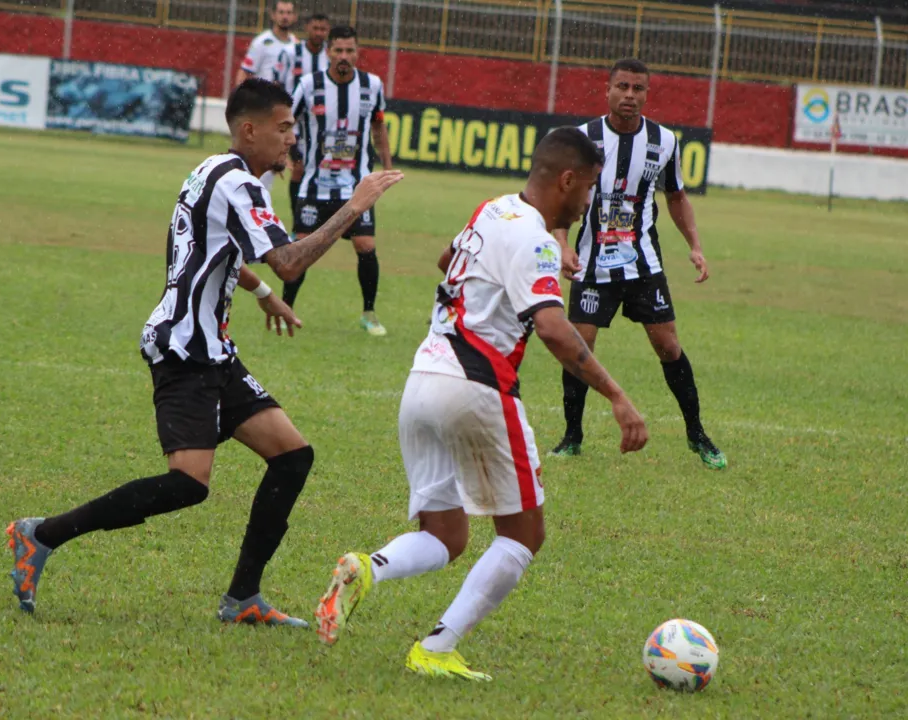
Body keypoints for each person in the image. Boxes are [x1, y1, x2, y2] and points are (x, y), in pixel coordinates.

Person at [6, 79, 403, 626]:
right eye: (284, 128)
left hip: (212, 349)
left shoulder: (211, 170)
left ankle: (243, 598)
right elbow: (288, 261)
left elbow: (214, 249)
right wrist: (354, 206)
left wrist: (263, 295)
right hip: (183, 350)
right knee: (188, 485)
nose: (292, 140)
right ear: (250, 129)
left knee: (292, 455)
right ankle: (40, 534)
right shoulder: (239, 183)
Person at [312, 128, 648, 680]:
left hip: (422, 379)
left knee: (446, 535)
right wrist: (617, 396)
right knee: (524, 535)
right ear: (566, 180)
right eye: (587, 188)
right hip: (476, 388)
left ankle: (367, 569)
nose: (588, 201)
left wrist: (510, 277)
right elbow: (553, 329)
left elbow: (448, 259)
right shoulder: (535, 240)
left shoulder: (493, 209)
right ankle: (435, 650)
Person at [549, 57, 727, 470]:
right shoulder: (582, 138)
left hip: (644, 264)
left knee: (668, 346)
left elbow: (676, 196)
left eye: (638, 89)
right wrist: (562, 243)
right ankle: (572, 436)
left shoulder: (664, 141)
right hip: (593, 262)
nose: (630, 95)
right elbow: (561, 194)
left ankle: (697, 434)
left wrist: (696, 246)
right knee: (580, 346)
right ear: (607, 90)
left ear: (648, 93)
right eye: (623, 87)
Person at [281, 25, 393, 337]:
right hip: (315, 186)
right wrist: (287, 156)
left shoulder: (372, 85)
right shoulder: (309, 85)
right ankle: (286, 306)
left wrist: (387, 166)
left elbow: (379, 126)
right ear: (328, 52)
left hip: (356, 185)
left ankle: (369, 313)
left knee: (366, 245)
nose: (344, 57)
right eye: (338, 50)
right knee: (301, 246)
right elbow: (286, 121)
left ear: (358, 53)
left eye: (349, 51)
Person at [282, 12, 330, 221]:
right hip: (294, 124)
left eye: (323, 29)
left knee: (319, 172)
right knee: (298, 169)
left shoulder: (330, 56)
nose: (319, 33)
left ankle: (315, 220)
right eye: (315, 28)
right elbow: (278, 83)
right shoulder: (291, 52)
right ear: (307, 28)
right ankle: (298, 222)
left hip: (319, 126)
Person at [234, 0, 298, 87]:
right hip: (264, 98)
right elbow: (245, 72)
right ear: (273, 15)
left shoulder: (296, 44)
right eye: (281, 12)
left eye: (289, 13)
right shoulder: (261, 42)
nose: (285, 16)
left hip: (287, 99)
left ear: (295, 16)